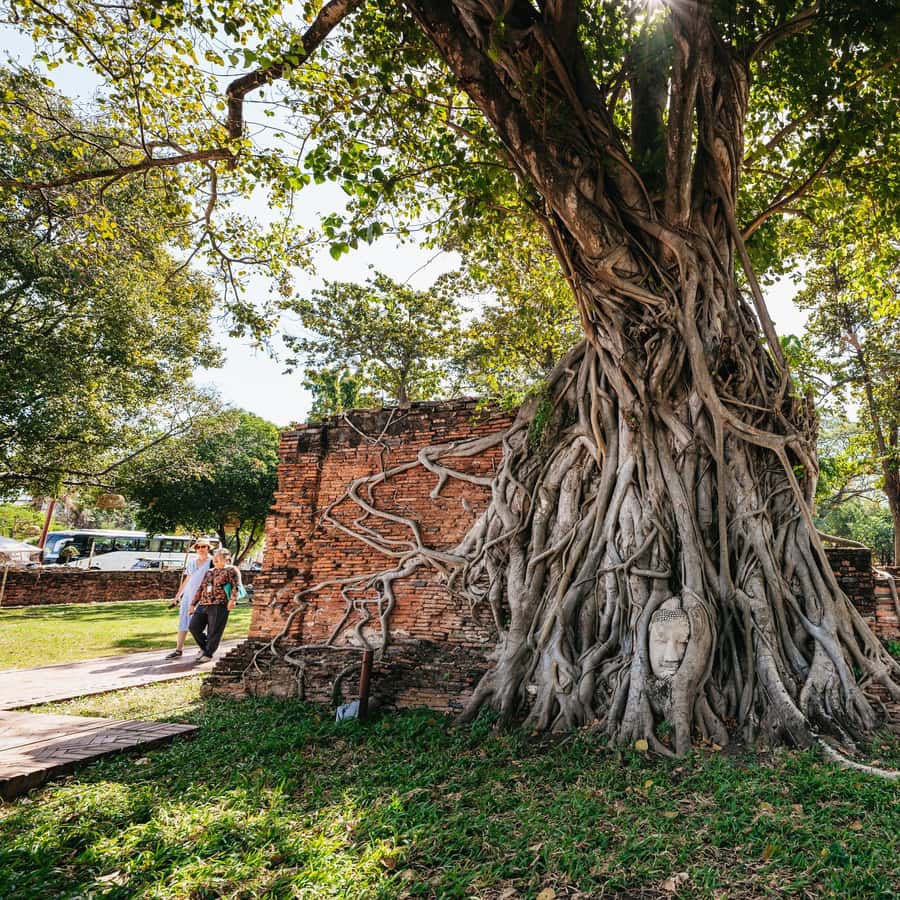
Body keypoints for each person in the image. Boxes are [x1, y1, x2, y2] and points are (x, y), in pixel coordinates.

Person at [188, 547, 241, 663]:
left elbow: (236, 586)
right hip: (204, 603)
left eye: (218, 557)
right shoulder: (209, 571)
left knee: (214, 631)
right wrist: (193, 604)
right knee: (193, 627)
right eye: (214, 557)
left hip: (219, 604)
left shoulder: (231, 570)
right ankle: (204, 647)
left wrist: (233, 600)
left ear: (226, 559)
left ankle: (208, 653)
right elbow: (201, 587)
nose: (215, 559)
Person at [166, 539, 212, 659]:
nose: (201, 549)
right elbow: (187, 579)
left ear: (208, 548)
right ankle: (178, 650)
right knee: (183, 622)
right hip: (188, 596)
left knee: (199, 625)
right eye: (198, 547)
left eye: (203, 546)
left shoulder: (212, 562)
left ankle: (204, 649)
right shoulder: (192, 562)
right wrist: (177, 596)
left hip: (203, 597)